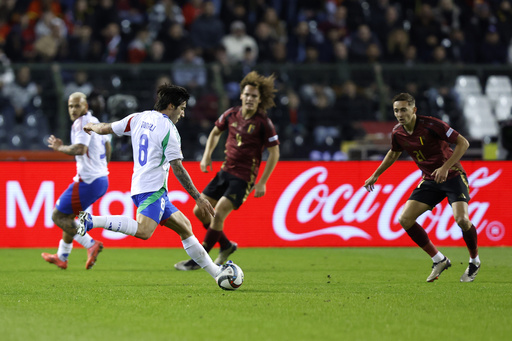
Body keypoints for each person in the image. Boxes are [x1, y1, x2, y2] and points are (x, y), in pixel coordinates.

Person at [76, 84, 221, 280]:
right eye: (182, 108)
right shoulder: (169, 130)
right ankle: (93, 220)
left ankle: (217, 274)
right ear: (171, 106)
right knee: (144, 231)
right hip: (153, 189)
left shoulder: (139, 117)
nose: (183, 114)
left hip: (141, 187)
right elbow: (178, 167)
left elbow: (107, 128)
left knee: (185, 227)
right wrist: (198, 197)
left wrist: (92, 127)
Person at [363, 92, 480, 283]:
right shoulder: (398, 132)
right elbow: (393, 153)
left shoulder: (433, 125)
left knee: (462, 220)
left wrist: (445, 167)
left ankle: (474, 261)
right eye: (396, 111)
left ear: (413, 109)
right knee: (405, 219)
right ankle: (439, 260)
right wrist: (375, 174)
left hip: (452, 175)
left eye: (403, 109)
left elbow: (463, 143)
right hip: (429, 180)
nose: (399, 114)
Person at [174, 71, 280, 271]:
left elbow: (274, 153)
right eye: (247, 95)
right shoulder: (231, 114)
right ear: (241, 95)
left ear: (260, 99)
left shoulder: (263, 123)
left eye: (254, 96)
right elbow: (215, 132)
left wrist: (262, 181)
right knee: (200, 211)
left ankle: (200, 257)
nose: (250, 99)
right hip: (224, 172)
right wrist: (207, 155)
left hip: (243, 178)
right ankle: (226, 245)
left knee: (219, 211)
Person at [41, 92, 111, 270]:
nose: (73, 109)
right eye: (70, 106)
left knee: (57, 216)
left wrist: (60, 147)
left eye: (77, 106)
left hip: (88, 181)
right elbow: (108, 146)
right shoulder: (95, 120)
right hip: (101, 179)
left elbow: (80, 149)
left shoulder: (81, 123)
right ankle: (62, 256)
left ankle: (90, 244)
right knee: (69, 217)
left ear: (85, 107)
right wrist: (102, 167)